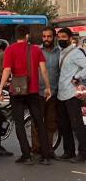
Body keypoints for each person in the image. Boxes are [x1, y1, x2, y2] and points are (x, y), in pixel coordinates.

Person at [0, 25, 53, 165]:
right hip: (33, 91)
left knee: (19, 124)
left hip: (16, 91)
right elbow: (44, 70)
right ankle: (45, 155)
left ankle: (26, 155)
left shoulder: (10, 49)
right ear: (27, 36)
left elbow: (7, 70)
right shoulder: (35, 49)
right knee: (39, 122)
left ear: (16, 36)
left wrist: (0, 88)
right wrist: (47, 87)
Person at [55, 27, 86, 162]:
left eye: (64, 37)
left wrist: (77, 76)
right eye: (59, 37)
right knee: (64, 125)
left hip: (72, 94)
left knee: (77, 125)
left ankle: (83, 153)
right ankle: (69, 151)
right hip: (61, 94)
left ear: (70, 38)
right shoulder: (60, 52)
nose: (61, 39)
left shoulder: (76, 52)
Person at [32, 28, 62, 156]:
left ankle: (49, 149)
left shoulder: (59, 53)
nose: (46, 39)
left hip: (54, 93)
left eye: (49, 36)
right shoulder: (36, 51)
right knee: (37, 122)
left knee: (51, 123)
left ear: (54, 37)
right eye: (44, 36)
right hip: (38, 92)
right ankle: (37, 149)